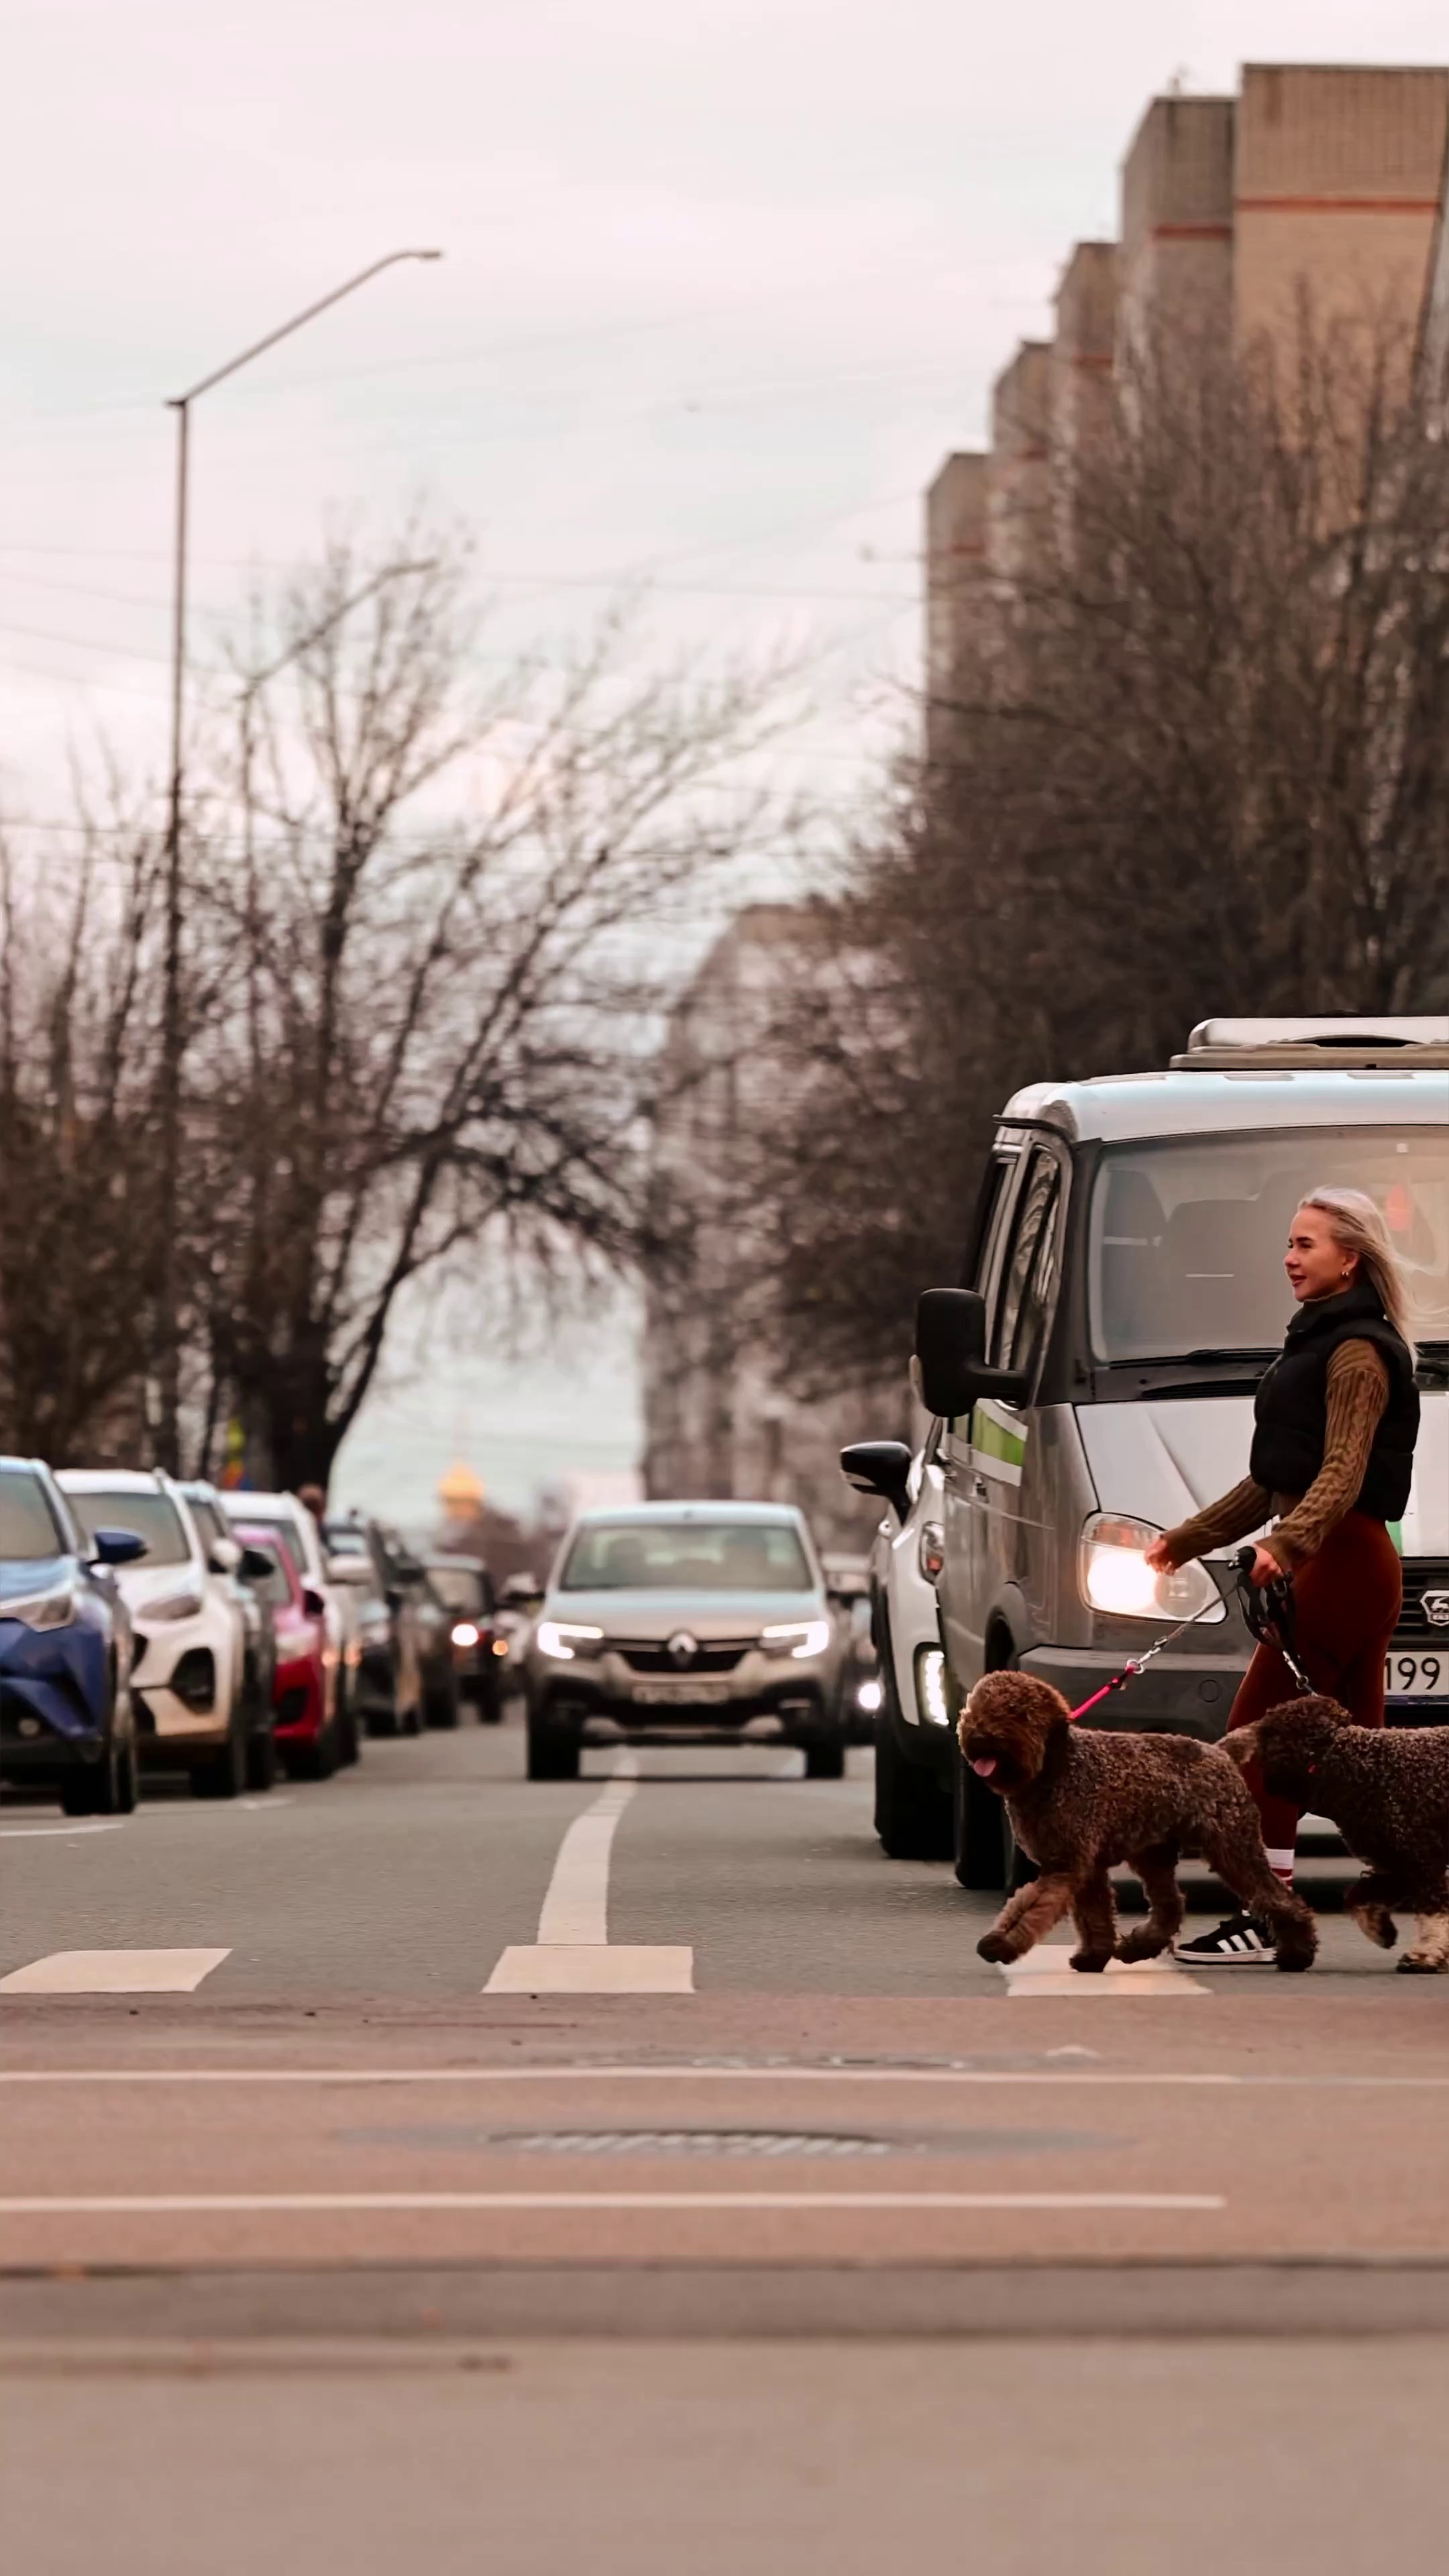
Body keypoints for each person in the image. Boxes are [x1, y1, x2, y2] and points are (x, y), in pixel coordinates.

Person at [1144, 1187, 1419, 1966]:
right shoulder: (1317, 1343)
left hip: (1343, 1563)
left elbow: (1342, 1472)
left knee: (1255, 1743)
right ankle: (1432, 1896)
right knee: (1361, 1764)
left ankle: (1267, 1914)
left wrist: (1290, 1545)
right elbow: (1277, 1477)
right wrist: (1186, 1540)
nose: (1289, 1258)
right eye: (1290, 1244)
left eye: (1306, 1245)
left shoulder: (1358, 1352)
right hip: (1345, 1562)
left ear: (1350, 1259)